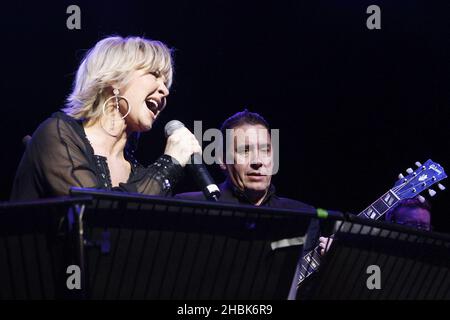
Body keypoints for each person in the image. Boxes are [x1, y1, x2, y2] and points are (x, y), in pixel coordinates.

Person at [11, 36, 201, 200]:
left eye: (166, 82)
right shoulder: (56, 135)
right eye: (154, 74)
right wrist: (169, 165)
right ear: (114, 79)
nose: (165, 90)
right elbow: (94, 214)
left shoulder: (138, 173)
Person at [175, 109, 320, 299]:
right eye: (244, 150)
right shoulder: (189, 208)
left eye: (265, 150)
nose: (257, 161)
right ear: (222, 159)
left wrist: (329, 266)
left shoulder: (303, 216)